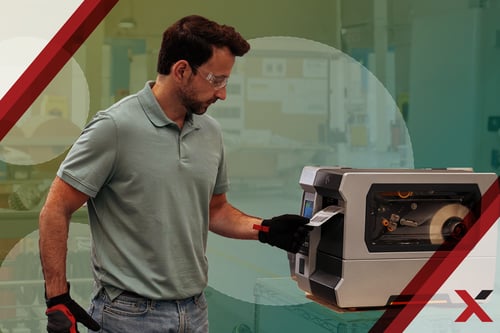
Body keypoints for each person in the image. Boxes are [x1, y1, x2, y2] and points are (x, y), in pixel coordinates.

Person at [39, 14, 310, 333]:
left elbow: (216, 210)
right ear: (181, 70)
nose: (222, 94)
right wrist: (57, 297)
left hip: (195, 312)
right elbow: (56, 208)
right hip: (129, 315)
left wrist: (264, 229)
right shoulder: (114, 128)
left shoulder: (210, 132)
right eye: (216, 80)